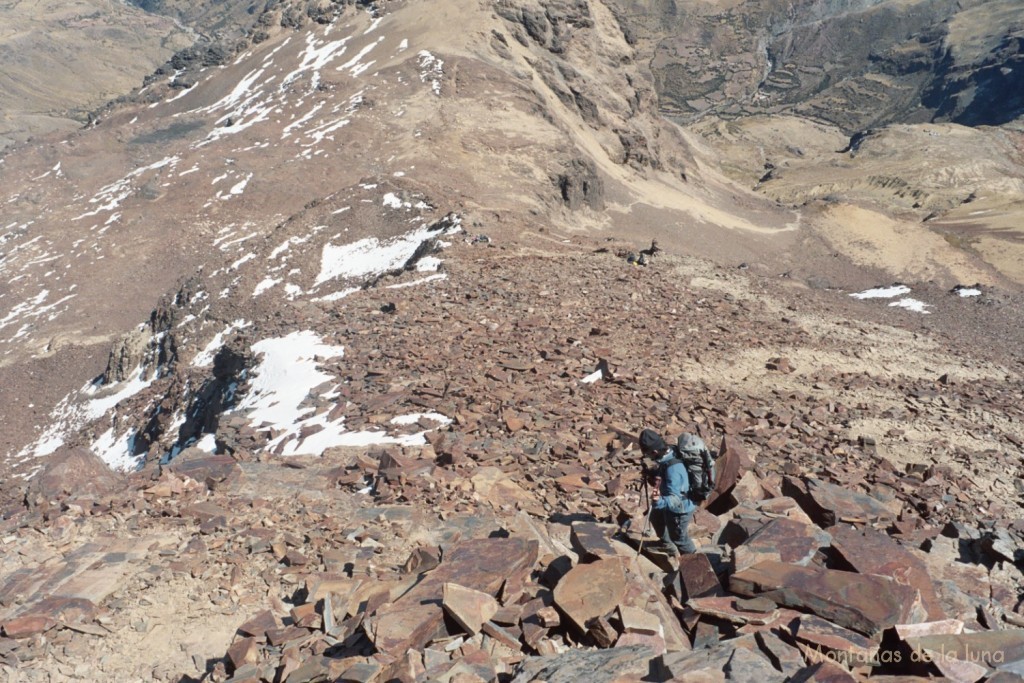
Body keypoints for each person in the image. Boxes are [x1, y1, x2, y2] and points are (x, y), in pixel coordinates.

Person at [638, 428, 697, 555]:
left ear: (655, 451)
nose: (648, 457)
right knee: (655, 517)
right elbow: (663, 471)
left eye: (648, 455)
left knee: (679, 539)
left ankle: (696, 563)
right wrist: (651, 472)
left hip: (680, 509)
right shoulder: (669, 452)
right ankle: (666, 545)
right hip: (668, 498)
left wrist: (658, 501)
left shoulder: (674, 469)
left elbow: (675, 499)